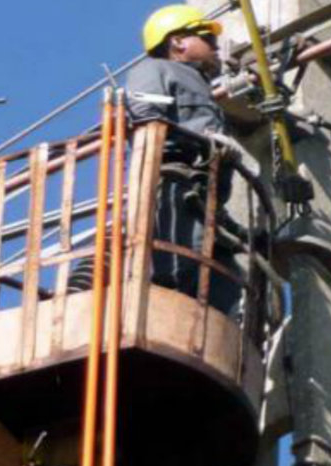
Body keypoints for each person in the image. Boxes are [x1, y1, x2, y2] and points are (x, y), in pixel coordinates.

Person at [125, 4, 251, 313]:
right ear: (178, 42)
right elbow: (145, 115)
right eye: (207, 38)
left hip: (204, 198)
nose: (216, 46)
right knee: (187, 272)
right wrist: (203, 140)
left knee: (226, 285)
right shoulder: (155, 70)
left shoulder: (202, 88)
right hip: (175, 188)